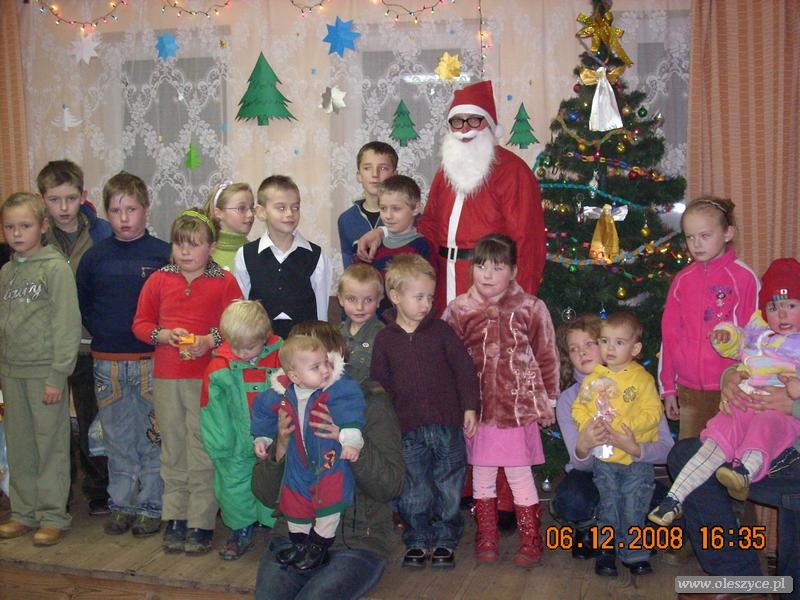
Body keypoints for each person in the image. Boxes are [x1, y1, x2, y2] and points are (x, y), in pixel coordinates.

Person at [357, 80, 545, 521]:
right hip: (445, 287)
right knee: (449, 382)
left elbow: (527, 242)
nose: (464, 129)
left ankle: (502, 498)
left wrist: (514, 301)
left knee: (494, 385)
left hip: (490, 288)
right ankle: (460, 486)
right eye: (457, 122)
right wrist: (383, 232)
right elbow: (429, 229)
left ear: (489, 125)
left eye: (473, 120)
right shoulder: (447, 173)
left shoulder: (513, 172)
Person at [252, 321, 404, 600]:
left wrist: (349, 441)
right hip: (293, 536)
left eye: (322, 359)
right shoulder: (285, 401)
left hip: (355, 540)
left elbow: (390, 485)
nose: (319, 369)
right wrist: (281, 445)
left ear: (337, 358)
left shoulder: (368, 401)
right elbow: (265, 495)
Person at [650, 258, 800, 526]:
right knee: (709, 440)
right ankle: (674, 498)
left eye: (791, 305)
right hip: (746, 407)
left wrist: (795, 400)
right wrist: (730, 374)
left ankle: (743, 472)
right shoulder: (761, 334)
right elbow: (742, 348)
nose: (782, 314)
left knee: (764, 426)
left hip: (780, 432)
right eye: (773, 307)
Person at [442, 233, 558, 568]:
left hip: (517, 410)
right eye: (481, 266)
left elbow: (547, 355)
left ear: (514, 271)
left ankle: (530, 538)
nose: (488, 275)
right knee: (482, 475)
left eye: (497, 267)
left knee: (520, 475)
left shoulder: (531, 308)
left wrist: (548, 401)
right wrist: (454, 404)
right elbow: (447, 360)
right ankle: (486, 535)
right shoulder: (459, 309)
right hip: (477, 411)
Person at [132, 208, 242, 555]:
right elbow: (140, 324)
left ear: (211, 246)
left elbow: (237, 325)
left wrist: (209, 340)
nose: (185, 251)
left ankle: (201, 520)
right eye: (179, 244)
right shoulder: (159, 280)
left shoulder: (224, 281)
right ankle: (176, 516)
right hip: (167, 378)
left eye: (194, 244)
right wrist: (164, 335)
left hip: (208, 379)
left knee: (202, 447)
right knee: (172, 447)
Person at [75, 172, 171, 538]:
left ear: (146, 210)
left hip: (151, 361)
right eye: (115, 211)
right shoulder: (95, 258)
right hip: (108, 363)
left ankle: (151, 506)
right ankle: (122, 504)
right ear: (106, 213)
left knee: (152, 436)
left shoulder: (163, 255)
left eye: (131, 209)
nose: (124, 218)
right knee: (116, 439)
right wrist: (104, 331)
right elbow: (85, 303)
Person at [370, 254, 480, 569]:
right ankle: (417, 539)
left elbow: (464, 371)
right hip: (407, 429)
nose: (426, 304)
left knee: (449, 484)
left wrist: (470, 407)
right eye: (419, 297)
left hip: (447, 424)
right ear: (395, 296)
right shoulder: (385, 339)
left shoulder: (441, 331)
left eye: (430, 297)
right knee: (413, 488)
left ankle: (445, 538)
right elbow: (379, 385)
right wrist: (384, 426)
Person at [669, 369, 800, 600]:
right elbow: (751, 359)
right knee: (686, 455)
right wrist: (731, 380)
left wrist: (796, 407)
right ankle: (738, 580)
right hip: (767, 439)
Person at [552, 315, 673, 559]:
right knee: (571, 500)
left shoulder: (638, 383)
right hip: (592, 474)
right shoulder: (569, 399)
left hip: (633, 470)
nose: (582, 353)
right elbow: (579, 464)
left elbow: (667, 450)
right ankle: (602, 527)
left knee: (661, 502)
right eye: (574, 349)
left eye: (589, 344)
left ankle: (620, 527)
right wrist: (584, 445)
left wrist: (635, 448)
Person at [0, 193, 81, 546]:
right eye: (10, 227)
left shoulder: (55, 268)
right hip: (11, 371)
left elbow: (67, 324)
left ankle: (52, 515)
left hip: (45, 373)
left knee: (50, 444)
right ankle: (24, 512)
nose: (17, 234)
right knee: (19, 444)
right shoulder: (6, 271)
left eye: (25, 226)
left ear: (43, 226)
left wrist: (57, 374)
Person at [251, 334, 366, 571]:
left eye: (325, 362)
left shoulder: (336, 388)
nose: (325, 370)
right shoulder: (282, 393)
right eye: (316, 367)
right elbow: (262, 409)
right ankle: (300, 545)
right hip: (298, 463)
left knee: (329, 500)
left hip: (328, 461)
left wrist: (350, 440)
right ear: (294, 376)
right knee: (294, 501)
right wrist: (262, 437)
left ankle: (318, 548)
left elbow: (351, 410)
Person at [38, 159, 113, 517]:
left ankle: (98, 489)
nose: (64, 208)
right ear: (43, 199)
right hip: (47, 347)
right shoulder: (36, 236)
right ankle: (58, 493)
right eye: (54, 200)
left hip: (88, 344)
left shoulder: (101, 233)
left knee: (91, 420)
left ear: (83, 196)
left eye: (70, 198)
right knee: (51, 424)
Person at [658, 197, 759, 439]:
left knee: (727, 452)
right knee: (691, 453)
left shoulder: (744, 278)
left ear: (728, 233)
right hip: (690, 390)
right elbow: (670, 336)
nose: (696, 244)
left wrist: (749, 381)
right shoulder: (682, 280)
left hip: (732, 388)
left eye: (705, 235)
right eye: (690, 237)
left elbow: (756, 337)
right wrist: (668, 388)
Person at [200, 300, 283, 560]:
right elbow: (212, 407)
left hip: (273, 439)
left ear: (265, 337)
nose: (242, 353)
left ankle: (275, 528)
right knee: (234, 485)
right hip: (235, 441)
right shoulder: (220, 366)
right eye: (235, 347)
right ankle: (241, 529)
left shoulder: (281, 358)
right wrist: (220, 443)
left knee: (274, 482)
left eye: (249, 347)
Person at [233, 175, 332, 340]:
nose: (290, 214)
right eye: (281, 208)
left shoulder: (316, 257)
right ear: (261, 212)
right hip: (260, 346)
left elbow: (321, 313)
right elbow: (242, 309)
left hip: (304, 345)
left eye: (295, 207)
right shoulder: (245, 255)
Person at [355, 174, 436, 317]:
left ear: (415, 208)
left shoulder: (422, 247)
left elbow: (428, 293)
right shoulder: (371, 247)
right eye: (383, 208)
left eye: (396, 209)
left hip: (408, 325)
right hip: (372, 324)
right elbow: (355, 287)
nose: (388, 215)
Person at [338, 141, 398, 268]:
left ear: (394, 175)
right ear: (359, 176)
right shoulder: (346, 220)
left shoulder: (408, 215)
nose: (375, 174)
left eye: (383, 168)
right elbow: (349, 270)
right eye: (367, 168)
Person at [336, 263, 385, 384]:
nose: (360, 307)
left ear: (378, 300)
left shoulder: (384, 336)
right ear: (341, 299)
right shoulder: (335, 334)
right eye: (352, 299)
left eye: (368, 300)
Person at [203, 181, 256, 271]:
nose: (250, 214)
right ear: (218, 213)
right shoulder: (203, 255)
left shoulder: (256, 254)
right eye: (241, 208)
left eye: (252, 208)